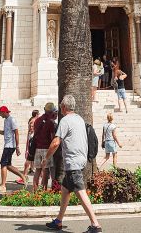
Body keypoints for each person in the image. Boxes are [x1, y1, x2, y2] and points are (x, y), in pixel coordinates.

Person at [42, 94, 102, 233]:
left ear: (63, 107)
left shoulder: (65, 120)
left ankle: (95, 224)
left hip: (73, 162)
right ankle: (58, 221)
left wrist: (46, 158)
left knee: (80, 192)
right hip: (79, 159)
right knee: (65, 190)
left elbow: (56, 142)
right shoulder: (79, 119)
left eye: (61, 106)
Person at [0, 105, 26, 194]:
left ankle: (3, 185)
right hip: (7, 145)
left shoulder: (12, 120)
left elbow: (16, 133)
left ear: (4, 112)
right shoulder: (5, 120)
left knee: (3, 164)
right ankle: (22, 176)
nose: (0, 114)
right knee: (8, 165)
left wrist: (18, 146)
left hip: (10, 145)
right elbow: (4, 132)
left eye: (0, 113)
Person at [33, 102, 57, 190]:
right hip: (46, 148)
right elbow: (52, 137)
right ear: (52, 111)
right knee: (46, 170)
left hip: (37, 148)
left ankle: (35, 190)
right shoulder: (50, 122)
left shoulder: (37, 120)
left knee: (37, 170)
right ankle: (44, 189)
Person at [16, 109, 40, 184]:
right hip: (32, 139)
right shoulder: (33, 121)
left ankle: (25, 176)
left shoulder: (33, 120)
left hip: (33, 139)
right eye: (38, 114)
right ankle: (25, 177)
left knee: (31, 159)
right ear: (36, 115)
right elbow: (31, 130)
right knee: (29, 159)